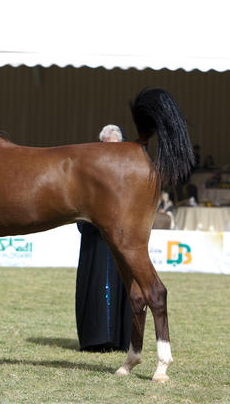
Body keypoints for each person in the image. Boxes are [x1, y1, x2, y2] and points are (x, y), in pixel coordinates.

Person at [75, 124, 132, 352]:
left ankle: (120, 338)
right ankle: (95, 338)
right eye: (106, 146)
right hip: (95, 238)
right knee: (94, 283)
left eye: (114, 146)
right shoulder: (89, 171)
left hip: (120, 238)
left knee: (122, 285)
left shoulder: (129, 171)